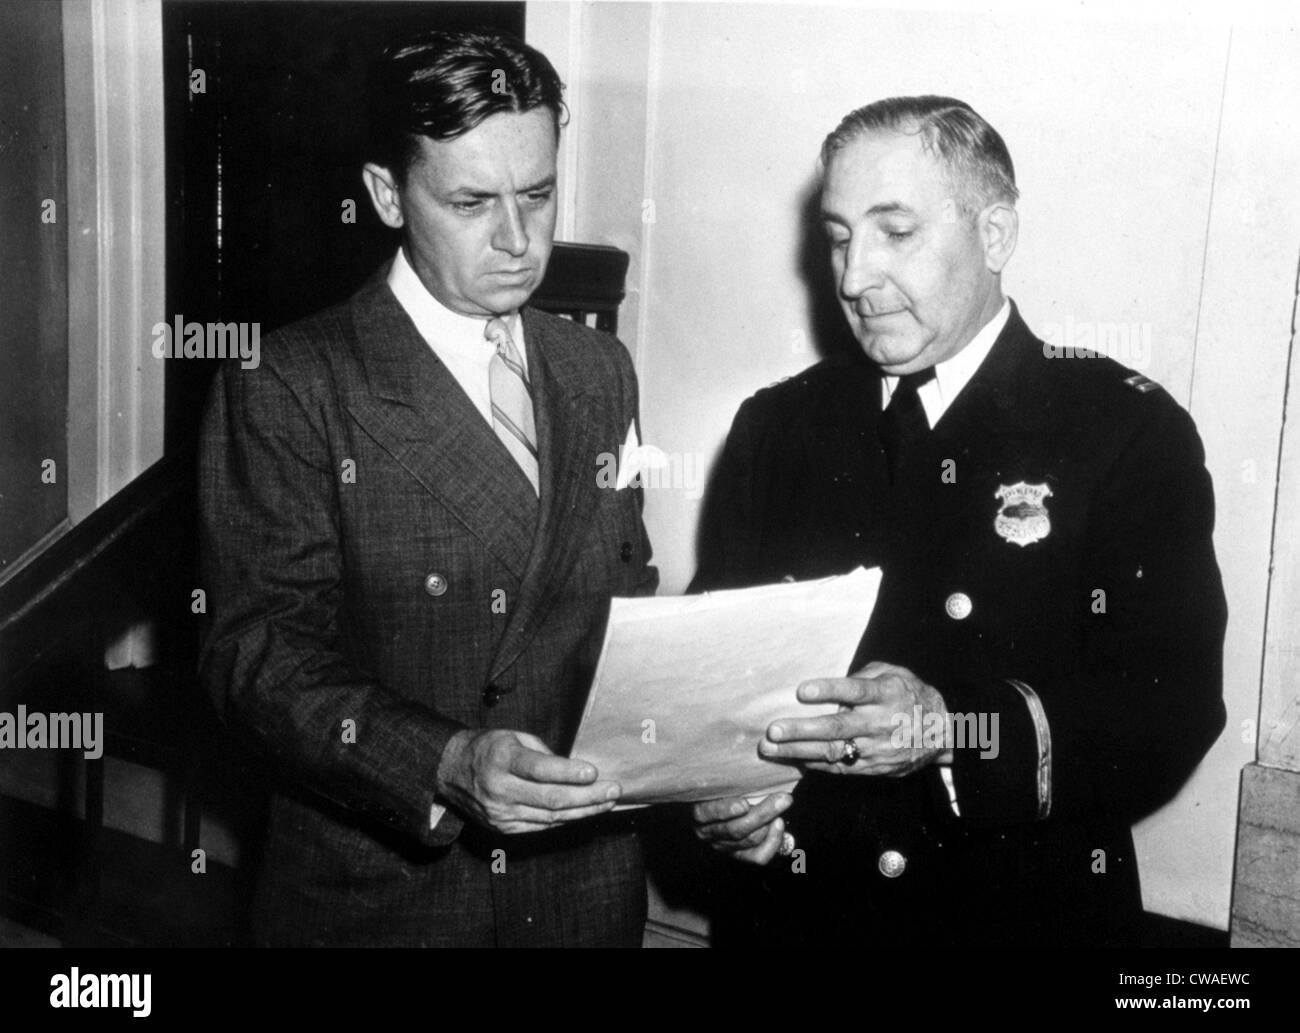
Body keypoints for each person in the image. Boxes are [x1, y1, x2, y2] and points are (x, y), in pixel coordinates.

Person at [690, 95, 1226, 946]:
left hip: (1011, 922)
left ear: (996, 235)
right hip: (803, 918)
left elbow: (1172, 706)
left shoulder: (1121, 428)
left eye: (894, 231)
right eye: (838, 236)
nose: (855, 277)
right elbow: (708, 680)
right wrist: (720, 804)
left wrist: (951, 727)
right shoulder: (777, 428)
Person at [198, 30, 656, 947]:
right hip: (391, 895)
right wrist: (444, 761)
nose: (520, 240)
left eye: (536, 193)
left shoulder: (600, 370)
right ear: (385, 195)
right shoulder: (291, 381)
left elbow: (625, 592)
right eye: (472, 202)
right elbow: (257, 655)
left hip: (583, 885)